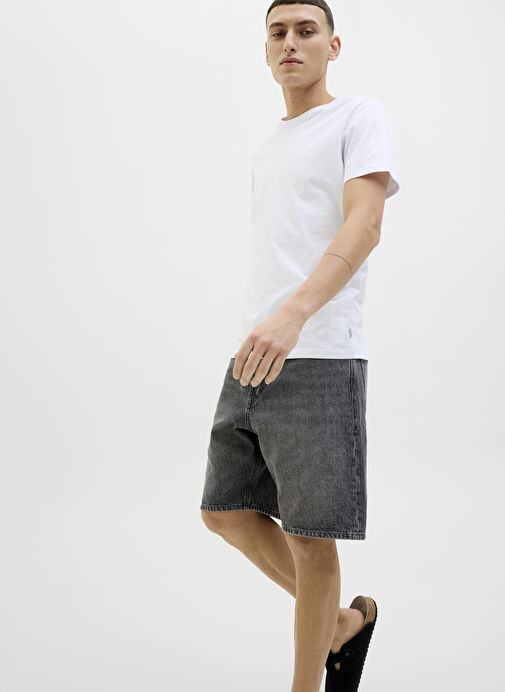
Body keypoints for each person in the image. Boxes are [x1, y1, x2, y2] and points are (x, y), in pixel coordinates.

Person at [200, 1, 400, 691]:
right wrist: (267, 327)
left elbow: (364, 225)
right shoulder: (268, 146)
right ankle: (340, 624)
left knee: (311, 538)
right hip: (255, 352)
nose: (290, 41)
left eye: (306, 30)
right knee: (223, 510)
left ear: (332, 46)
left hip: (318, 354)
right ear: (265, 50)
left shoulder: (357, 117)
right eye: (277, 32)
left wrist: (295, 317)